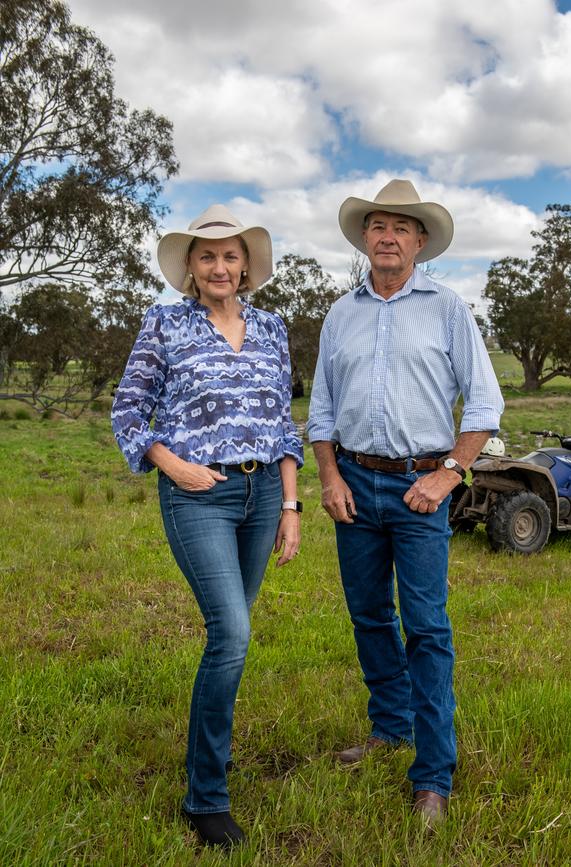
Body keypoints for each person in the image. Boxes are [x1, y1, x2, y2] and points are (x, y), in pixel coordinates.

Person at [306, 179, 504, 825]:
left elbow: (483, 404)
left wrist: (449, 475)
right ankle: (390, 728)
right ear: (365, 238)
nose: (386, 236)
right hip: (355, 485)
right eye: (377, 225)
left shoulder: (447, 309)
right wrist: (330, 477)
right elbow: (323, 408)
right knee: (369, 617)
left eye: (400, 227)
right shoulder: (342, 312)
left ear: (421, 242)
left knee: (426, 627)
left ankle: (433, 776)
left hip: (422, 488)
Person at [112, 205, 303, 849]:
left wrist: (291, 506)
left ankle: (206, 759)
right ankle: (206, 799)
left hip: (262, 494)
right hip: (199, 495)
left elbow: (283, 424)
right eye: (206, 256)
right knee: (233, 631)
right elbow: (130, 410)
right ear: (190, 268)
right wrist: (176, 466)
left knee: (231, 640)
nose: (219, 267)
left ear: (245, 266)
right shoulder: (164, 323)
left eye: (230, 256)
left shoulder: (273, 328)